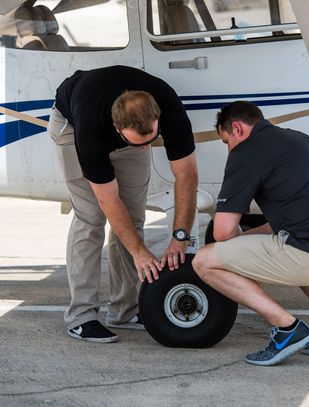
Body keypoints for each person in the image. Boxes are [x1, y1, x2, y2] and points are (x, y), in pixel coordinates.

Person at [192, 101, 309, 366]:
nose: (228, 148)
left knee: (204, 260)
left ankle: (287, 328)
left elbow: (222, 232)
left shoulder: (247, 151)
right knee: (289, 240)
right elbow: (285, 224)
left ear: (237, 128)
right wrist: (246, 241)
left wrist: (232, 246)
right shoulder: (300, 140)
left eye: (225, 141)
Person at [48, 65, 198, 343]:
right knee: (90, 217)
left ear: (157, 119)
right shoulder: (91, 129)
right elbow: (108, 199)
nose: (145, 149)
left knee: (134, 216)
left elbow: (187, 176)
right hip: (71, 125)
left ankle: (125, 310)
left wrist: (180, 237)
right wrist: (140, 252)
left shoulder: (167, 105)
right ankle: (81, 316)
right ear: (117, 128)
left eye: (151, 140)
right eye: (139, 142)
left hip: (121, 124)